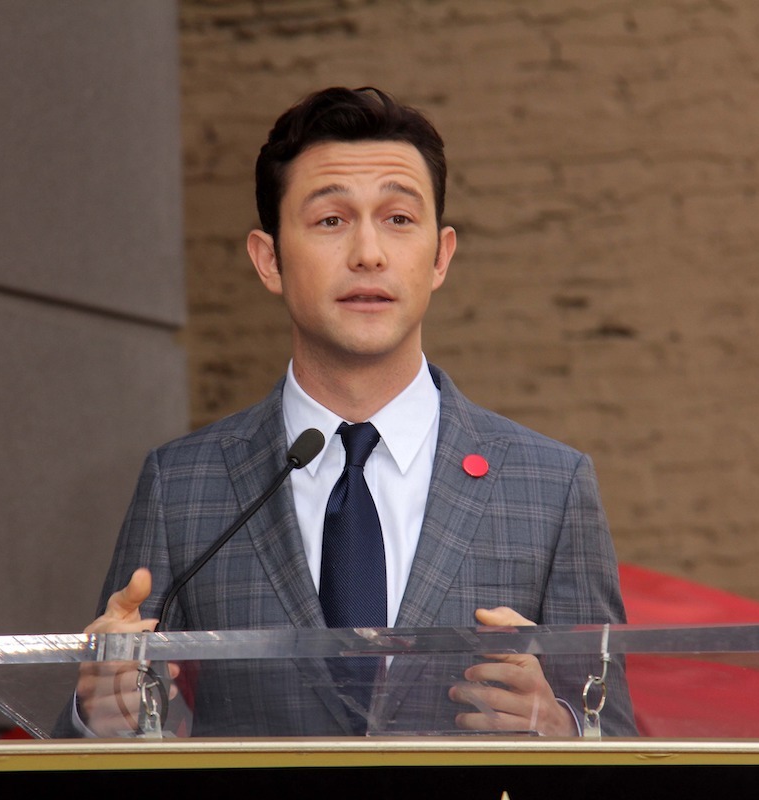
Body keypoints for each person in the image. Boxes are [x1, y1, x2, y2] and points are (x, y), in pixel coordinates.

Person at [73, 86, 632, 738]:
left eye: (399, 219)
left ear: (441, 256)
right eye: (331, 220)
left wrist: (558, 724)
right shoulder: (183, 485)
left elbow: (613, 734)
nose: (369, 252)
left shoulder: (549, 486)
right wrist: (97, 714)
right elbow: (103, 733)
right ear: (268, 259)